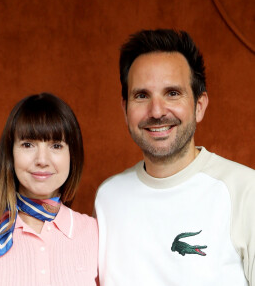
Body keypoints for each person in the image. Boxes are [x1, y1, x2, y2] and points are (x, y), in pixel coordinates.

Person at [94, 29, 255, 286]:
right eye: (142, 95)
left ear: (199, 106)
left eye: (172, 93)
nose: (157, 111)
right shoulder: (107, 198)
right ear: (125, 110)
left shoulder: (246, 190)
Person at [0, 93, 98, 286]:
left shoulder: (93, 233)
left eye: (56, 145)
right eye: (28, 144)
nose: (42, 160)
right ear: (10, 153)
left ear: (72, 155)